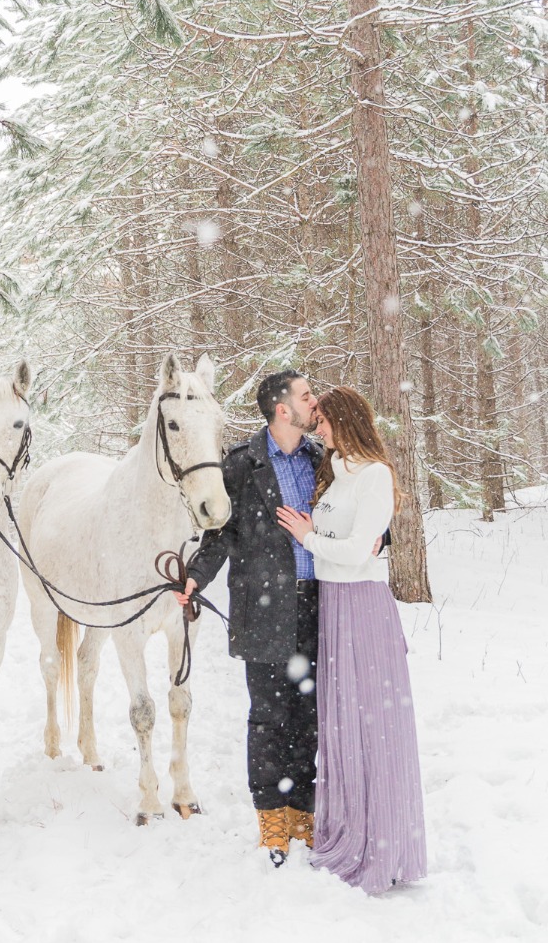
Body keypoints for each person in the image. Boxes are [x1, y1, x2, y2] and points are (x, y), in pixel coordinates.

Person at [277, 385, 427, 895]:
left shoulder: (376, 476)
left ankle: (380, 845)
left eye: (323, 420)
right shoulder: (337, 474)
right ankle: (348, 829)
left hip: (362, 605)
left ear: (344, 420)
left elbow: (362, 550)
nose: (317, 428)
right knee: (342, 723)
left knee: (373, 725)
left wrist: (308, 538)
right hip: (334, 608)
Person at [178, 370, 322, 865]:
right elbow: (222, 533)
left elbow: (352, 518)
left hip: (321, 609)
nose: (314, 400)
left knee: (310, 719)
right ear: (283, 410)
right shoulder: (242, 464)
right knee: (269, 719)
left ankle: (305, 815)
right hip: (264, 610)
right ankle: (273, 824)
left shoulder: (321, 460)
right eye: (306, 395)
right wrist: (196, 576)